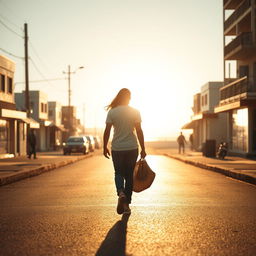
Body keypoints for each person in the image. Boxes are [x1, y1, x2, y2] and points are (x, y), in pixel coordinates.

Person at [103, 88, 146, 215]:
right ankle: (126, 204)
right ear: (128, 98)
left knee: (119, 172)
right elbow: (139, 131)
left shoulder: (112, 112)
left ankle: (120, 192)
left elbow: (107, 131)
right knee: (129, 176)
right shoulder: (135, 112)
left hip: (117, 148)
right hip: (132, 147)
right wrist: (143, 148)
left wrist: (104, 146)